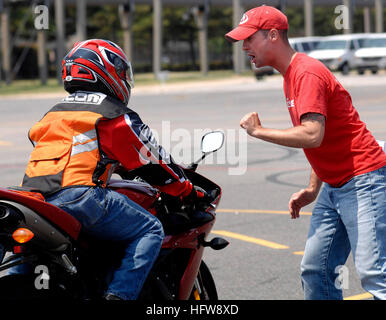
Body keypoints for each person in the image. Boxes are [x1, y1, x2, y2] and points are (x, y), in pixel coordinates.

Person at [225, 5, 386, 300]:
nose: (244, 46)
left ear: (272, 35)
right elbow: (323, 138)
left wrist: (258, 131)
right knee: (316, 270)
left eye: (249, 38)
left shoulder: (306, 73)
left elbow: (312, 134)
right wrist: (313, 189)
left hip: (363, 180)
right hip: (335, 186)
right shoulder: (291, 74)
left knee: (376, 274)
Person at [21, 39, 200, 300]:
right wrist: (185, 189)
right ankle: (119, 295)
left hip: (35, 200)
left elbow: (74, 155)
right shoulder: (113, 113)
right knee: (150, 229)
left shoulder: (53, 113)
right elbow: (153, 162)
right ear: (108, 70)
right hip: (79, 198)